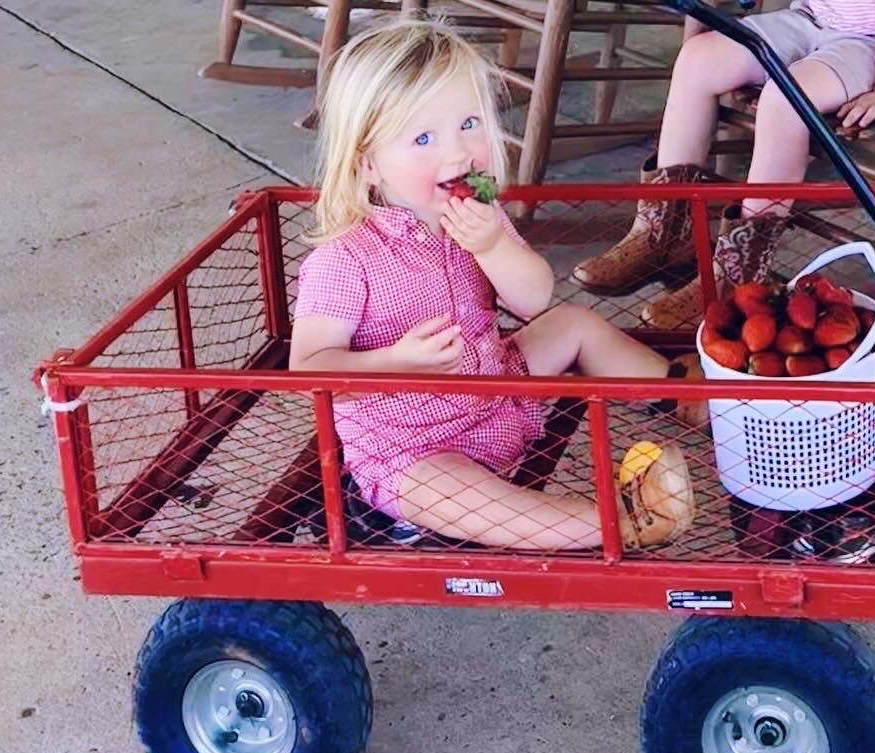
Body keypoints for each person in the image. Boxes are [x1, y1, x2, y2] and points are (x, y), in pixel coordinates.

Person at [289, 17, 700, 551]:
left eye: (468, 123)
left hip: (500, 388)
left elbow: (534, 299)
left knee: (571, 324)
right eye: (423, 138)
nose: (457, 153)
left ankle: (683, 398)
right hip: (411, 444)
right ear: (368, 164)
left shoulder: (476, 215)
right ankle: (617, 520)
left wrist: (492, 246)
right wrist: (395, 361)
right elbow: (309, 370)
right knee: (462, 498)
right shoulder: (345, 258)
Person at [573, 0, 875, 329]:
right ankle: (662, 234)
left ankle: (739, 273)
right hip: (808, 19)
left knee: (784, 98)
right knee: (698, 59)